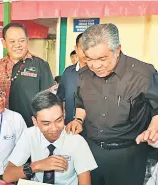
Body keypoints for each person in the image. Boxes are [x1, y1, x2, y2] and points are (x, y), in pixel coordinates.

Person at [67, 23, 158, 185]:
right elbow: (81, 102)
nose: (95, 66)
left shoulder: (143, 74)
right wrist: (78, 120)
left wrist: (154, 126)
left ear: (117, 50)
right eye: (89, 59)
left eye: (102, 59)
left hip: (128, 155)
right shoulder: (84, 75)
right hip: (92, 151)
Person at [3, 91, 97, 184]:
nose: (54, 128)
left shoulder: (76, 141)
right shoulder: (29, 135)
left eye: (59, 120)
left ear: (64, 114)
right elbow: (7, 176)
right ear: (35, 121)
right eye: (46, 123)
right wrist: (37, 166)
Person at [0, 23, 54, 127]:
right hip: (2, 127)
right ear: (4, 43)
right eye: (12, 41)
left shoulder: (40, 65)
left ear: (27, 41)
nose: (17, 45)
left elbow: (48, 101)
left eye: (21, 40)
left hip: (30, 127)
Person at [57, 33, 87, 125]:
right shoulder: (68, 72)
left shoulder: (99, 72)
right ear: (76, 49)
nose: (86, 51)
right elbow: (59, 97)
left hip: (92, 131)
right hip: (70, 128)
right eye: (83, 47)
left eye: (89, 47)